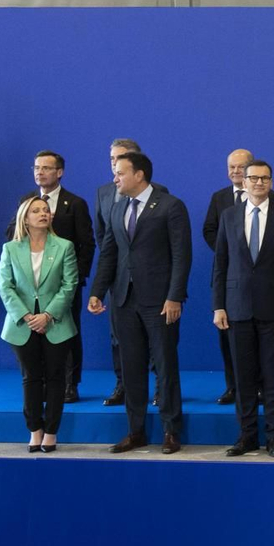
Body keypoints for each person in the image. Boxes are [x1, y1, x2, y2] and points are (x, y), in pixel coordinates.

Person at [88, 151, 191, 454]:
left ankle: (171, 431)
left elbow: (181, 256)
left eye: (120, 172)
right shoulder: (118, 208)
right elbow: (109, 253)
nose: (115, 178)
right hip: (123, 299)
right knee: (131, 367)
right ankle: (136, 431)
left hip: (160, 301)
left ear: (139, 175)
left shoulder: (171, 206)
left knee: (165, 364)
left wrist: (174, 296)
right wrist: (97, 291)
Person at [213, 160, 274, 458]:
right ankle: (247, 435)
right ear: (243, 180)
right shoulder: (228, 216)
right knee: (243, 377)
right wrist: (218, 307)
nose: (258, 183)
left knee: (273, 376)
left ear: (271, 182)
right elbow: (221, 265)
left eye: (264, 178)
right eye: (253, 178)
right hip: (237, 309)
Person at [6, 151, 93, 404]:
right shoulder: (27, 200)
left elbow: (86, 245)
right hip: (30, 285)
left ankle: (70, 384)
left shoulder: (74, 203)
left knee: (67, 333)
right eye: (36, 167)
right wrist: (30, 221)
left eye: (46, 167)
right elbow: (10, 234)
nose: (39, 172)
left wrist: (76, 279)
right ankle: (38, 381)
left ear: (59, 172)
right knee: (34, 333)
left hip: (64, 284)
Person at [0, 195, 79, 452]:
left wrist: (47, 315)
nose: (43, 214)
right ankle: (35, 430)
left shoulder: (64, 246)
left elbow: (70, 285)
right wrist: (26, 316)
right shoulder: (10, 249)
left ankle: (52, 432)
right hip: (21, 324)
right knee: (31, 378)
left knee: (56, 378)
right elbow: (4, 286)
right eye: (36, 210)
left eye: (46, 210)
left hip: (56, 323)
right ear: (25, 217)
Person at [201, 149, 251, 406]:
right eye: (231, 167)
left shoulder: (271, 197)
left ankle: (259, 388)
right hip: (227, 275)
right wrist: (227, 251)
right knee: (227, 337)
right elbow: (209, 229)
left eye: (241, 167)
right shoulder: (219, 197)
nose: (235, 172)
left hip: (256, 280)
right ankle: (233, 387)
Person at [94, 138, 140, 406]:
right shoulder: (103, 192)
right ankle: (122, 384)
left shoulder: (158, 193)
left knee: (151, 336)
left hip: (146, 278)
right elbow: (103, 236)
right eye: (111, 158)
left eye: (120, 157)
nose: (114, 163)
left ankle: (156, 387)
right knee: (117, 335)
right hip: (118, 276)